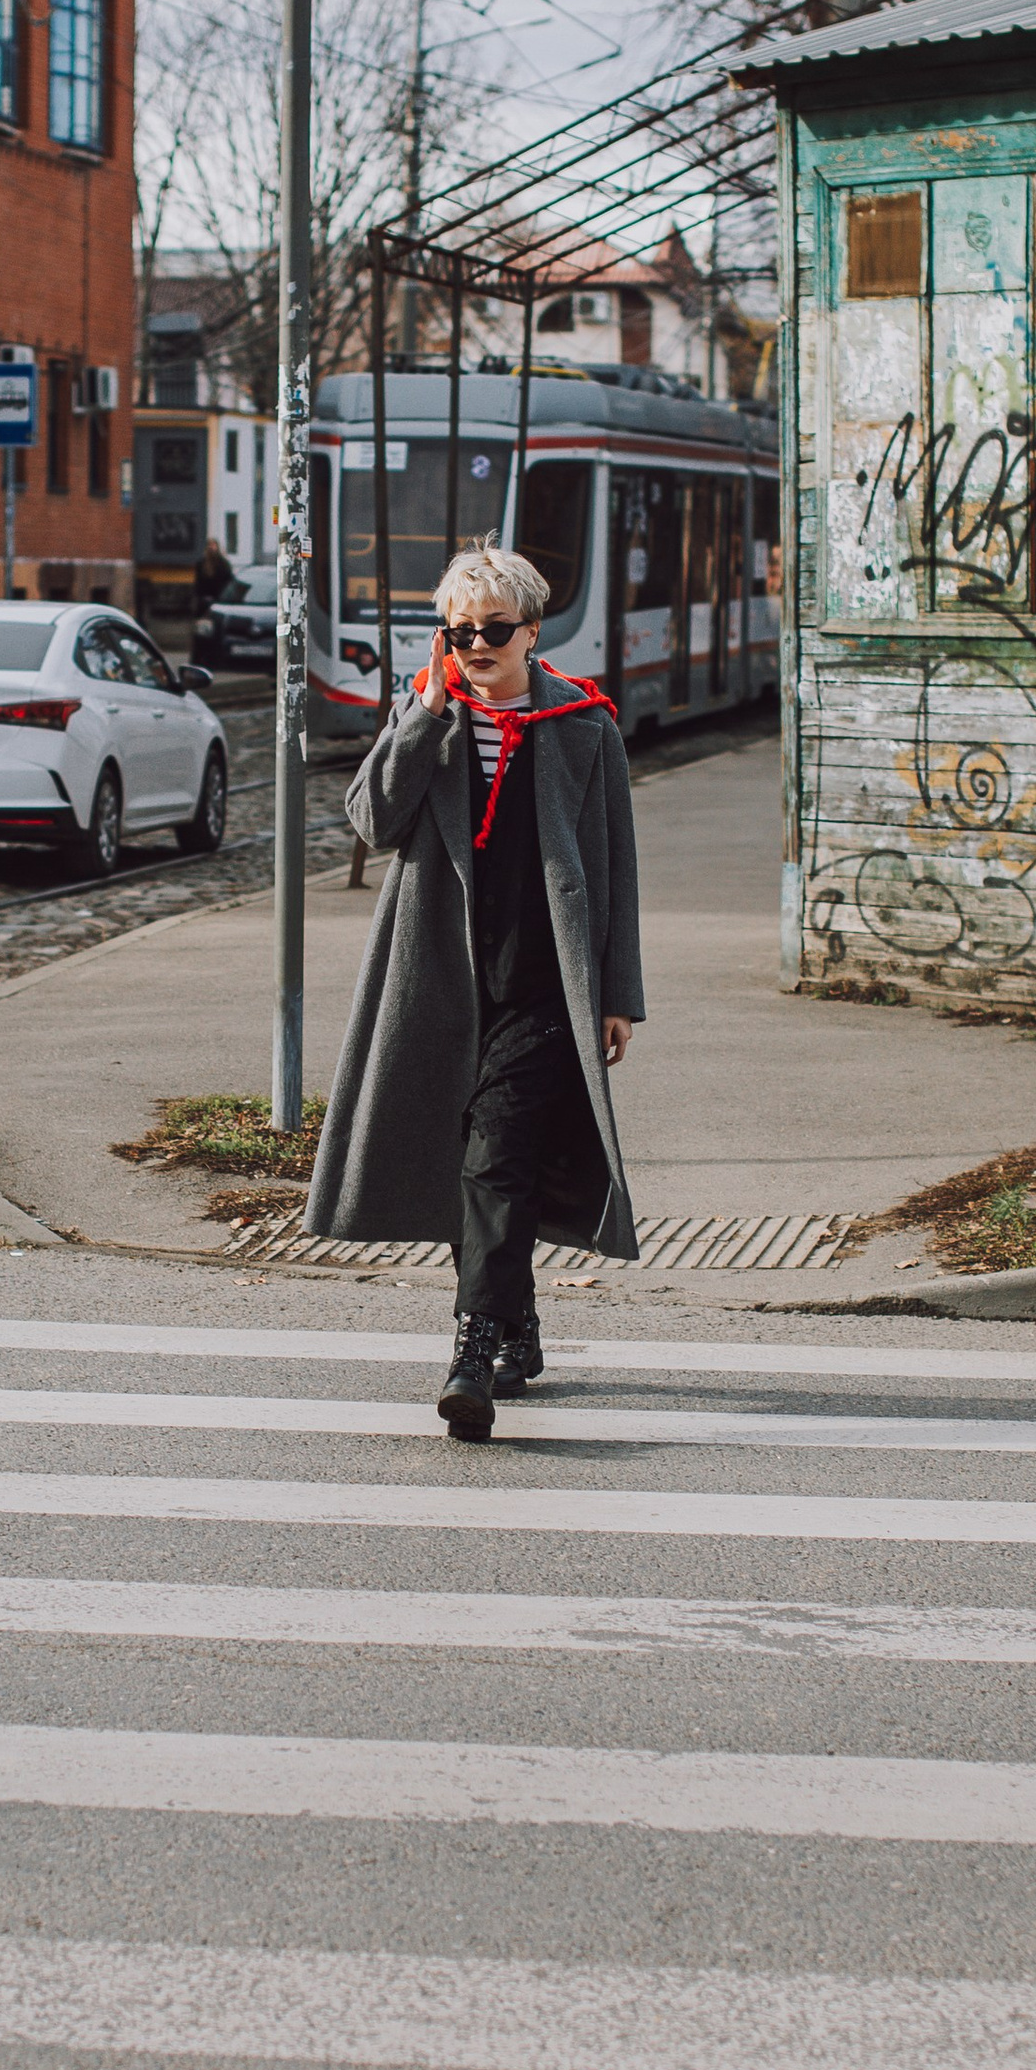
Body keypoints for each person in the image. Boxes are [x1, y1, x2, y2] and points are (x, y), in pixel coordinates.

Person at [306, 538, 642, 1439]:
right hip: (441, 977)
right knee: (470, 1162)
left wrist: (618, 992)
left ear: (532, 632)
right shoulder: (430, 712)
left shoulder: (585, 727)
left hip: (542, 981)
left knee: (496, 1157)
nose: (475, 647)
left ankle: (471, 1353)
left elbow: (614, 869)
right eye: (457, 632)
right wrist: (423, 715)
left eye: (494, 630)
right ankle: (519, 1326)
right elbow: (373, 822)